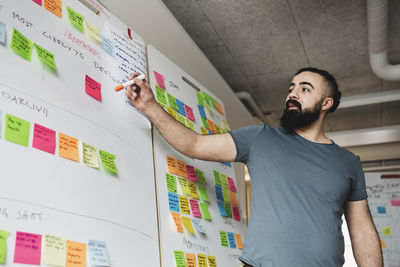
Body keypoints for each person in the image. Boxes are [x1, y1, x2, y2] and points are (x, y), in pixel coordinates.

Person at [126, 67, 383, 267]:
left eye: (305, 89)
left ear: (326, 103)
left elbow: (361, 228)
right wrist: (150, 105)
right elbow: (194, 145)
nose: (292, 93)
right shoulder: (261, 138)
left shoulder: (348, 162)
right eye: (291, 87)